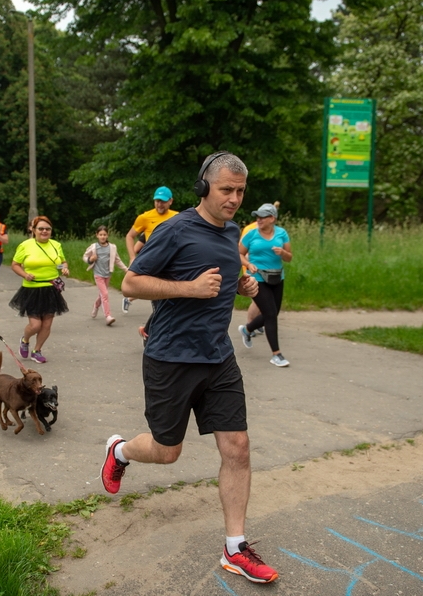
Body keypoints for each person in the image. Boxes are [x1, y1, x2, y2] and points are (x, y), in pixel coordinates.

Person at [102, 152, 279, 584]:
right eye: (226, 190)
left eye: (240, 191)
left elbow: (222, 281)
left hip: (218, 357)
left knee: (237, 447)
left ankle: (235, 547)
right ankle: (120, 450)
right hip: (170, 358)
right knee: (168, 451)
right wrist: (190, 289)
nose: (234, 199)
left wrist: (242, 285)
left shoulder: (235, 230)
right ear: (204, 187)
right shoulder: (174, 229)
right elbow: (129, 283)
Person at [9, 215, 70, 364]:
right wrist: (24, 274)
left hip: (51, 288)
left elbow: (61, 262)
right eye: (41, 228)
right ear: (33, 230)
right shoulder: (25, 246)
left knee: (47, 324)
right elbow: (15, 264)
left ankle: (37, 350)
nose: (44, 231)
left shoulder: (56, 245)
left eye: (47, 229)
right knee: (35, 325)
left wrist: (65, 269)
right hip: (32, 289)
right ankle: (25, 339)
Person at [238, 203, 292, 367]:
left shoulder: (282, 233)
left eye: (262, 217)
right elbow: (238, 253)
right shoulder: (251, 235)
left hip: (277, 277)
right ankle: (277, 354)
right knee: (269, 314)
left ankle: (247, 330)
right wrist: (248, 264)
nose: (258, 220)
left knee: (273, 313)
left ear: (272, 218)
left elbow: (289, 257)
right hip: (257, 278)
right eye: (257, 217)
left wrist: (283, 253)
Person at [122, 186, 178, 313]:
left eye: (163, 201)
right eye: (157, 201)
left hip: (173, 263)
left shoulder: (178, 216)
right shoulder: (145, 217)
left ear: (170, 201)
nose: (160, 204)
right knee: (159, 301)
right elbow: (130, 236)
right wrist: (132, 258)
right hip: (155, 263)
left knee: (174, 299)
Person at [240, 200, 279, 336]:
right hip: (253, 268)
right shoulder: (251, 229)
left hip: (268, 270)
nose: (260, 219)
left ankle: (253, 325)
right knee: (257, 300)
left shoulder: (272, 230)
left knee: (264, 302)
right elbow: (244, 251)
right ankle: (250, 324)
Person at [83, 225, 128, 326]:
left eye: (104, 234)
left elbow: (117, 260)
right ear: (97, 235)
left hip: (108, 274)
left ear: (107, 235)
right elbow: (85, 257)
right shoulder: (94, 247)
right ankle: (108, 316)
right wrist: (90, 260)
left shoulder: (112, 247)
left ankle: (96, 305)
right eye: (100, 235)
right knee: (105, 294)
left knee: (103, 294)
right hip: (98, 274)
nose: (102, 236)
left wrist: (126, 269)